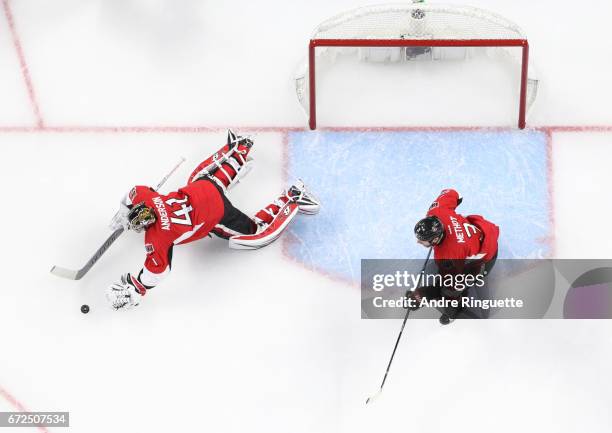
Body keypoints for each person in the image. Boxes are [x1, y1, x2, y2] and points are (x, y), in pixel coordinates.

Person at [105, 130, 320, 311]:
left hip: (215, 213)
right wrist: (125, 210)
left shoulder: (158, 236)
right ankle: (241, 148)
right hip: (202, 190)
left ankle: (293, 197)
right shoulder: (147, 197)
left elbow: (158, 270)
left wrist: (137, 288)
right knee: (208, 180)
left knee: (253, 232)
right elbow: (134, 192)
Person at [407, 188, 499, 324]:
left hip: (484, 257)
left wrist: (449, 312)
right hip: (481, 231)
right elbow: (452, 193)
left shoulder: (448, 257)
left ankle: (473, 309)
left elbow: (453, 289)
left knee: (450, 289)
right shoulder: (437, 212)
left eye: (423, 240)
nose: (418, 241)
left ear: (435, 240)